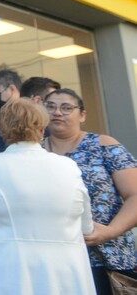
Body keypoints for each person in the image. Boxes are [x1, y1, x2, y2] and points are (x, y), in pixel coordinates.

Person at [0, 98, 95, 295]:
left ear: (2, 131)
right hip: (67, 279)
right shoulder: (68, 166)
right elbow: (86, 226)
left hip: (5, 277)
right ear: (42, 129)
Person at [43, 88, 137, 295]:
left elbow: (135, 196)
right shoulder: (34, 152)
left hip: (107, 259)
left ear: (82, 115)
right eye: (50, 107)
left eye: (66, 108)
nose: (57, 112)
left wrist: (110, 231)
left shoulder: (104, 145)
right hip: (54, 262)